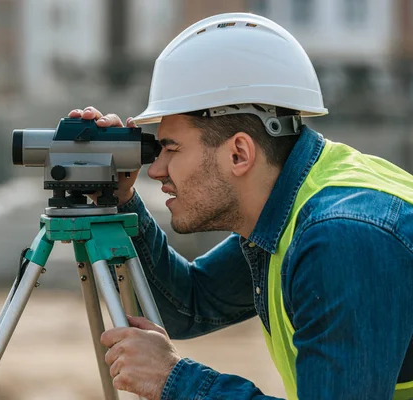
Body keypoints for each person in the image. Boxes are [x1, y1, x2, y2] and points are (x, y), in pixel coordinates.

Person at [67, 13, 413, 400]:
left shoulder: (344, 237)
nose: (156, 170)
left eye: (171, 148)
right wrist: (122, 199)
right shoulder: (292, 211)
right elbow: (190, 304)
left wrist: (175, 379)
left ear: (239, 153)